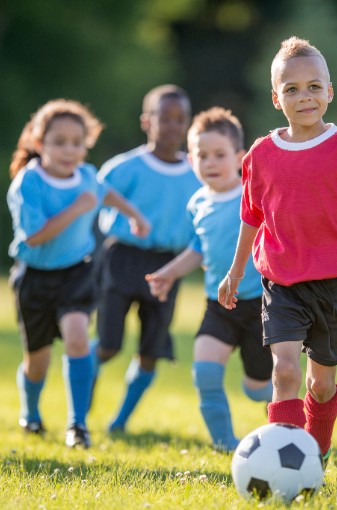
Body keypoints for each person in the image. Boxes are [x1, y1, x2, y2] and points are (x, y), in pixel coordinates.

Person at [217, 37, 337, 465]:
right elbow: (252, 217)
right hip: (280, 279)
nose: (304, 97)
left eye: (313, 87)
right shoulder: (261, 155)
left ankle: (315, 452)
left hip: (333, 282)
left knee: (320, 385)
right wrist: (234, 272)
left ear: (329, 92)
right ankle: (283, 463)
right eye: (292, 89)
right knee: (284, 371)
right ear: (275, 98)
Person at [7, 99, 149, 448]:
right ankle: (31, 413)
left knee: (77, 337)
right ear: (40, 144)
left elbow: (106, 193)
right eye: (59, 142)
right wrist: (77, 208)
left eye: (77, 142)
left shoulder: (86, 175)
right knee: (37, 363)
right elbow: (35, 236)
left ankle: (78, 425)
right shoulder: (28, 183)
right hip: (35, 278)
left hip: (78, 272)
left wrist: (135, 214)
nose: (69, 150)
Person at [146, 107, 273, 451]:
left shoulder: (253, 196)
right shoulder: (197, 203)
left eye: (220, 155)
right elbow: (198, 249)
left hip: (261, 305)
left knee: (257, 388)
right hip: (219, 305)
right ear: (191, 160)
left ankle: (288, 430)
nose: (211, 162)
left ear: (239, 158)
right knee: (204, 371)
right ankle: (225, 444)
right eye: (202, 155)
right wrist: (168, 273)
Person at [92, 84, 201, 433]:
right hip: (122, 260)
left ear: (188, 124)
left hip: (169, 265)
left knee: (151, 350)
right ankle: (80, 408)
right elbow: (89, 199)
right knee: (107, 346)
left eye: (179, 119)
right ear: (146, 121)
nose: (172, 126)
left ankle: (119, 422)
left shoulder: (198, 173)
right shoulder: (123, 168)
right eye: (163, 118)